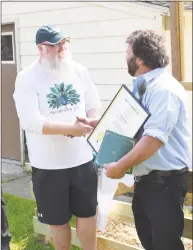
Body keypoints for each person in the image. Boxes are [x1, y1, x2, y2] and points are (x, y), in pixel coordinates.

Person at [13, 25, 100, 250]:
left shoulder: (79, 70)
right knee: (58, 223)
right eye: (54, 45)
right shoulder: (27, 77)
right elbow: (30, 121)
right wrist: (69, 128)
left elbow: (93, 106)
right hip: (48, 165)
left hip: (82, 160)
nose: (61, 48)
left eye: (63, 43)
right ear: (40, 49)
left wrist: (92, 121)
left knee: (88, 215)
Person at [103, 30, 192, 250]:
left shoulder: (164, 90)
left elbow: (153, 139)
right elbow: (129, 122)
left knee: (165, 246)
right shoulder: (144, 86)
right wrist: (95, 123)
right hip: (147, 182)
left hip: (164, 184)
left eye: (128, 52)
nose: (126, 57)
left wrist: (121, 166)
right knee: (150, 243)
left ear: (139, 59)